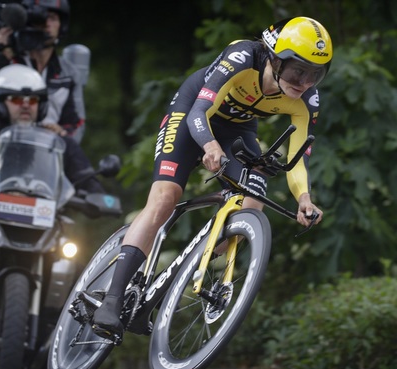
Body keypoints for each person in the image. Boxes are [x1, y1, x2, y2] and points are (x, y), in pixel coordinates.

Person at [92, 16, 333, 338]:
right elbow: (197, 113)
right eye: (297, 71)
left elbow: (297, 158)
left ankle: (174, 283)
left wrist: (304, 198)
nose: (303, 82)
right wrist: (209, 146)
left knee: (252, 204)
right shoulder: (242, 57)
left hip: (238, 129)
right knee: (164, 199)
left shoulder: (307, 99)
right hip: (193, 114)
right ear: (275, 59)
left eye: (315, 74)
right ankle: (111, 299)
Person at [0, 63, 103, 193]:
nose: (25, 106)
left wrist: (97, 196)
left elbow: (87, 181)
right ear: (0, 103)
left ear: (41, 106)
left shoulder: (54, 142)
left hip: (41, 209)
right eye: (16, 100)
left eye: (32, 101)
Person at [0, 0, 86, 143]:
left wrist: (62, 135)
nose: (46, 24)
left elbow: (76, 124)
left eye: (52, 18)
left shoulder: (68, 73)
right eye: (40, 19)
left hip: (48, 155)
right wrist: (2, 54)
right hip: (6, 151)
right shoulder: (6, 63)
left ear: (61, 25)